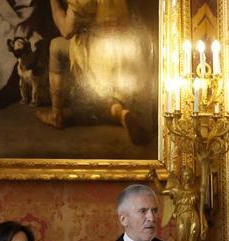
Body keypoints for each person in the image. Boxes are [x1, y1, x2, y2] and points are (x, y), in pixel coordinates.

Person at [38, 0, 150, 145]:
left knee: (56, 46)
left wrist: (54, 4)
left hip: (100, 55)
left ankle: (56, 114)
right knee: (101, 96)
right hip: (124, 52)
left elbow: (66, 30)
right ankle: (121, 114)